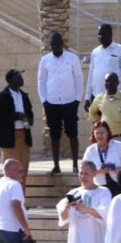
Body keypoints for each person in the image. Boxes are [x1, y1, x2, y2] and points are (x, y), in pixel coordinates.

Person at [38, 31, 84, 174]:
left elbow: (79, 79)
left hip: (70, 102)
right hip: (51, 103)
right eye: (53, 45)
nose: (55, 47)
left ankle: (75, 164)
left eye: (57, 44)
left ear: (62, 44)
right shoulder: (45, 60)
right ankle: (56, 165)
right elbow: (41, 81)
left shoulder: (72, 58)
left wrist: (77, 99)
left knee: (72, 134)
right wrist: (44, 101)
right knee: (54, 136)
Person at [0, 69, 34, 187]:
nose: (22, 80)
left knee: (22, 170)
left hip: (24, 136)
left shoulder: (24, 96)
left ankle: (21, 201)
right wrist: (17, 116)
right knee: (11, 170)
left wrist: (29, 119)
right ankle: (9, 201)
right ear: (11, 81)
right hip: (10, 137)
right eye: (19, 77)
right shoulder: (3, 96)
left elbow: (29, 111)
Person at [84, 23, 121, 111]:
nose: (100, 36)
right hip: (97, 98)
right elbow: (91, 76)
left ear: (110, 34)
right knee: (98, 125)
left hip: (115, 100)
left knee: (114, 125)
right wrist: (87, 97)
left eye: (103, 34)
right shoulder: (95, 52)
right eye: (99, 34)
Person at [89, 72, 121, 152]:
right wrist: (98, 125)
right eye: (107, 81)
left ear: (117, 83)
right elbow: (92, 113)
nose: (109, 83)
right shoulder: (99, 98)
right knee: (106, 164)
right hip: (105, 139)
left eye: (112, 81)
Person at [81, 120, 121, 196]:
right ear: (93, 134)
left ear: (108, 133)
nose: (99, 135)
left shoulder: (118, 146)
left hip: (118, 186)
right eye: (97, 133)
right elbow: (82, 171)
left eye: (102, 133)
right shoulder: (90, 150)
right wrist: (98, 171)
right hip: (98, 188)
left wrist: (117, 169)